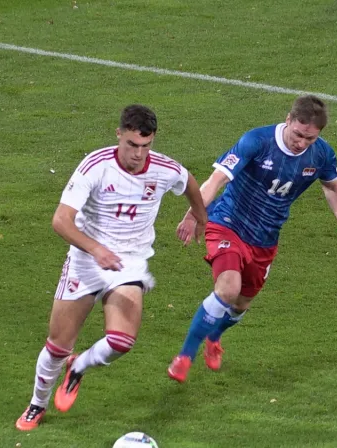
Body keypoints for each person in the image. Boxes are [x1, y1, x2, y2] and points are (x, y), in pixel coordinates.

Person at [16, 104, 207, 431]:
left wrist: (198, 217)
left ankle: (79, 368)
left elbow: (189, 182)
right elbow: (61, 220)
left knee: (122, 341)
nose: (139, 154)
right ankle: (37, 403)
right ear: (119, 135)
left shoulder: (163, 169)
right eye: (132, 145)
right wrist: (95, 249)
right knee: (58, 344)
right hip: (86, 259)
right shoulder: (96, 166)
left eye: (146, 146)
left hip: (129, 262)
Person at [168, 95, 337, 383]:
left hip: (265, 238)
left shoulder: (321, 154)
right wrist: (195, 214)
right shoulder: (256, 141)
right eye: (298, 134)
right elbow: (217, 180)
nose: (301, 142)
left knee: (241, 304)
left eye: (310, 138)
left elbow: (332, 186)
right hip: (228, 223)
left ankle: (215, 337)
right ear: (288, 119)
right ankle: (184, 356)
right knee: (228, 288)